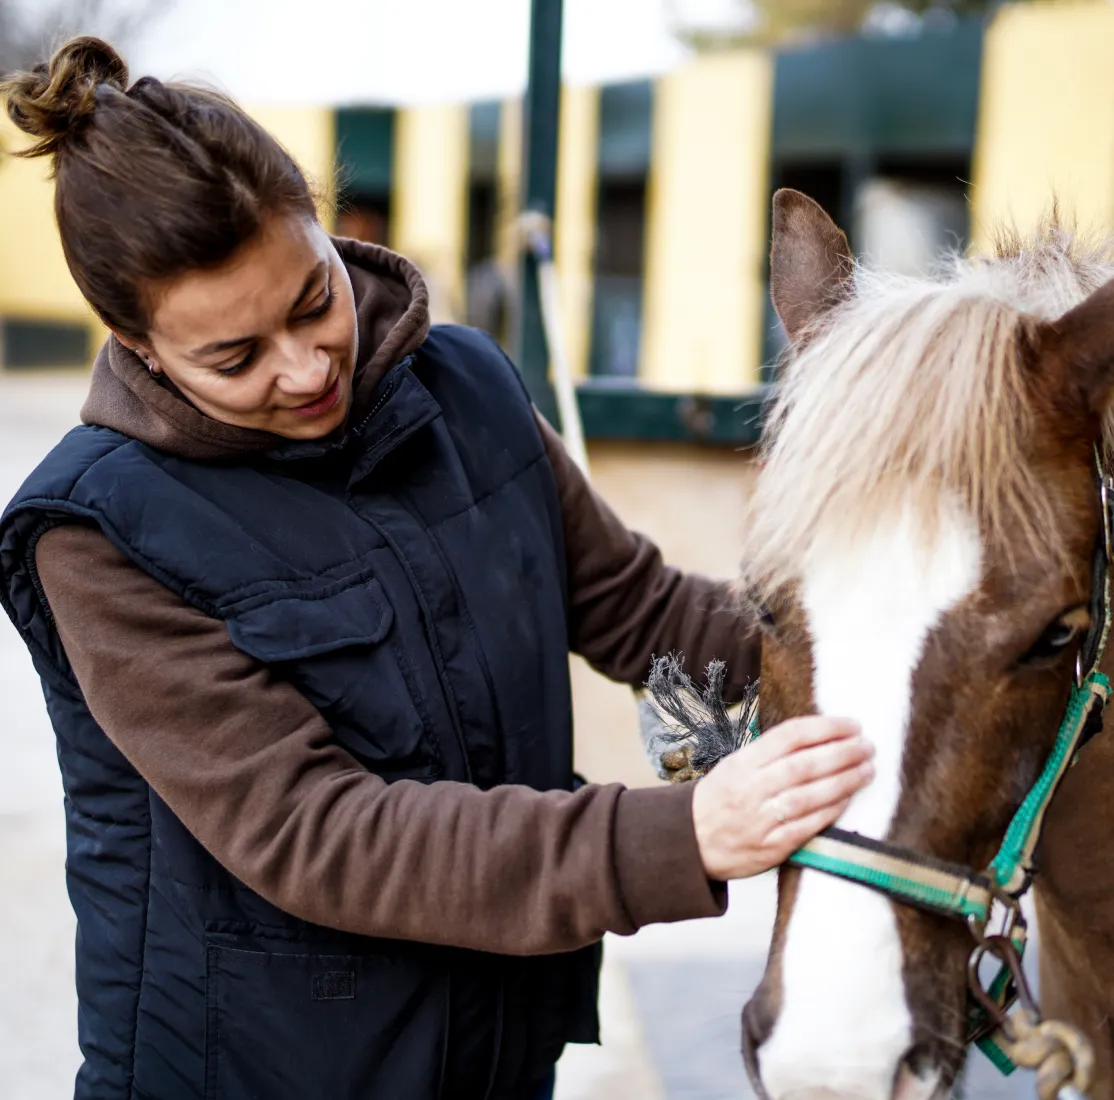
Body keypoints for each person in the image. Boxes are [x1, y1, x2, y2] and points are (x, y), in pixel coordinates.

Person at [0, 37, 874, 1100]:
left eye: (311, 298)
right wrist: (680, 832)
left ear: (328, 229)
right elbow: (317, 831)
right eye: (234, 357)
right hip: (257, 1069)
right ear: (137, 348)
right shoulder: (94, 533)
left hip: (496, 1048)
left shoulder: (467, 386)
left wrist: (895, 655)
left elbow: (636, 606)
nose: (305, 364)